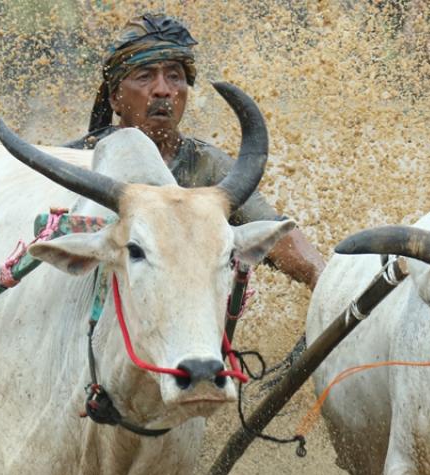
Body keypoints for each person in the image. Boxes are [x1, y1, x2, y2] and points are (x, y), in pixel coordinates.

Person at [67, 13, 326, 288]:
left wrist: (321, 278)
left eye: (174, 77)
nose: (163, 90)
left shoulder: (207, 165)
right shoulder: (78, 162)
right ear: (115, 97)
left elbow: (276, 235)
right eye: (145, 77)